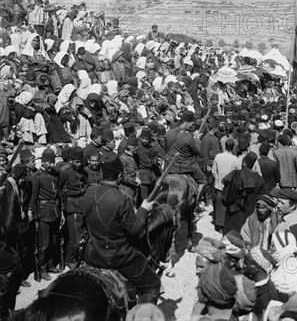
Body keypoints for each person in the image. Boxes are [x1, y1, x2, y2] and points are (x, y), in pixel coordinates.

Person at [82, 152, 161, 304]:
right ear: (119, 177)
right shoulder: (122, 200)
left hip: (91, 253)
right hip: (117, 256)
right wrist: (144, 210)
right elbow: (136, 231)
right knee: (153, 285)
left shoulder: (89, 192)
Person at [29, 148, 65, 280]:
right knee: (44, 244)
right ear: (43, 162)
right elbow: (33, 198)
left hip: (55, 211)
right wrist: (36, 217)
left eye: (53, 162)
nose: (52, 165)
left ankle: (50, 264)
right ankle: (42, 268)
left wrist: (61, 212)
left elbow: (59, 194)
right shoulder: (36, 177)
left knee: (54, 241)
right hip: (44, 213)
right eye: (49, 162)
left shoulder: (55, 174)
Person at [164, 110, 206, 209]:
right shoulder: (188, 137)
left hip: (170, 166)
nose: (193, 126)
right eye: (191, 124)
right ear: (186, 123)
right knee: (203, 180)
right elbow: (197, 152)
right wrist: (197, 140)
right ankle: (196, 204)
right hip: (186, 166)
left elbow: (165, 149)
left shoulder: (168, 133)